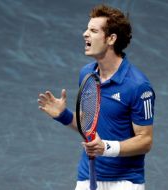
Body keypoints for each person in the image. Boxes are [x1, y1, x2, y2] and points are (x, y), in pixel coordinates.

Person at [37, 4, 155, 190]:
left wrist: (106, 148)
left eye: (93, 30)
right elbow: (89, 126)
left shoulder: (138, 85)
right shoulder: (87, 74)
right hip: (87, 175)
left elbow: (145, 141)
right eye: (87, 29)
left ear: (111, 39)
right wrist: (64, 115)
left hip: (125, 182)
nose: (85, 34)